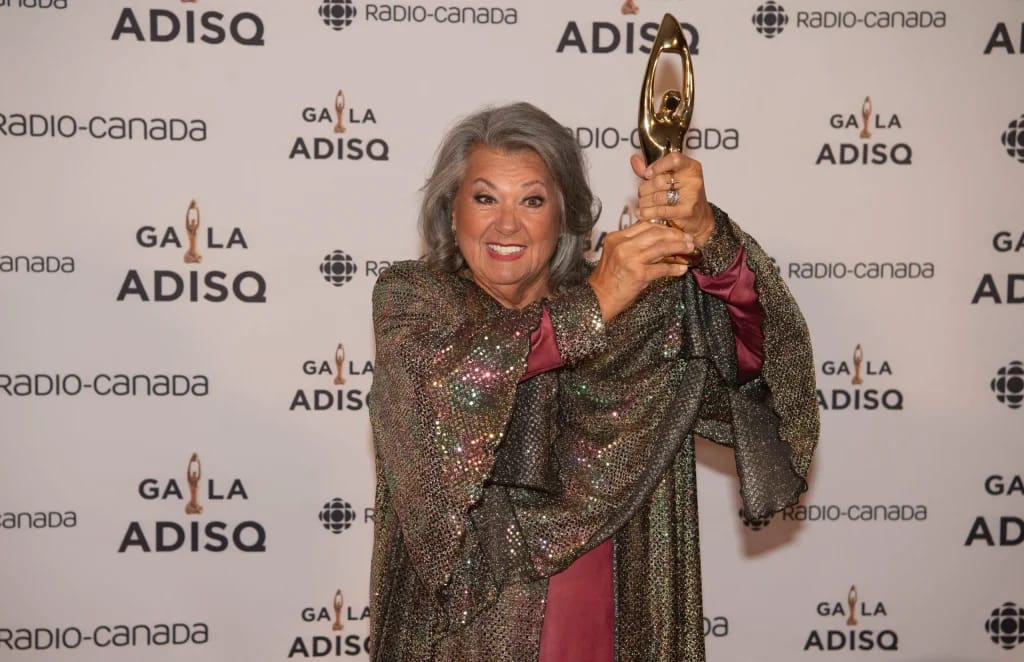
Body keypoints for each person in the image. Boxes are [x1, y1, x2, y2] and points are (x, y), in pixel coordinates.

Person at [368, 102, 818, 661]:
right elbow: (456, 379)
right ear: (450, 210)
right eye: (485, 198)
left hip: (615, 616)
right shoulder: (412, 300)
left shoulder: (632, 310)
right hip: (467, 633)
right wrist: (600, 301)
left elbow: (756, 362)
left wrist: (708, 236)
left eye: (532, 200)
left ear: (564, 216)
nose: (505, 224)